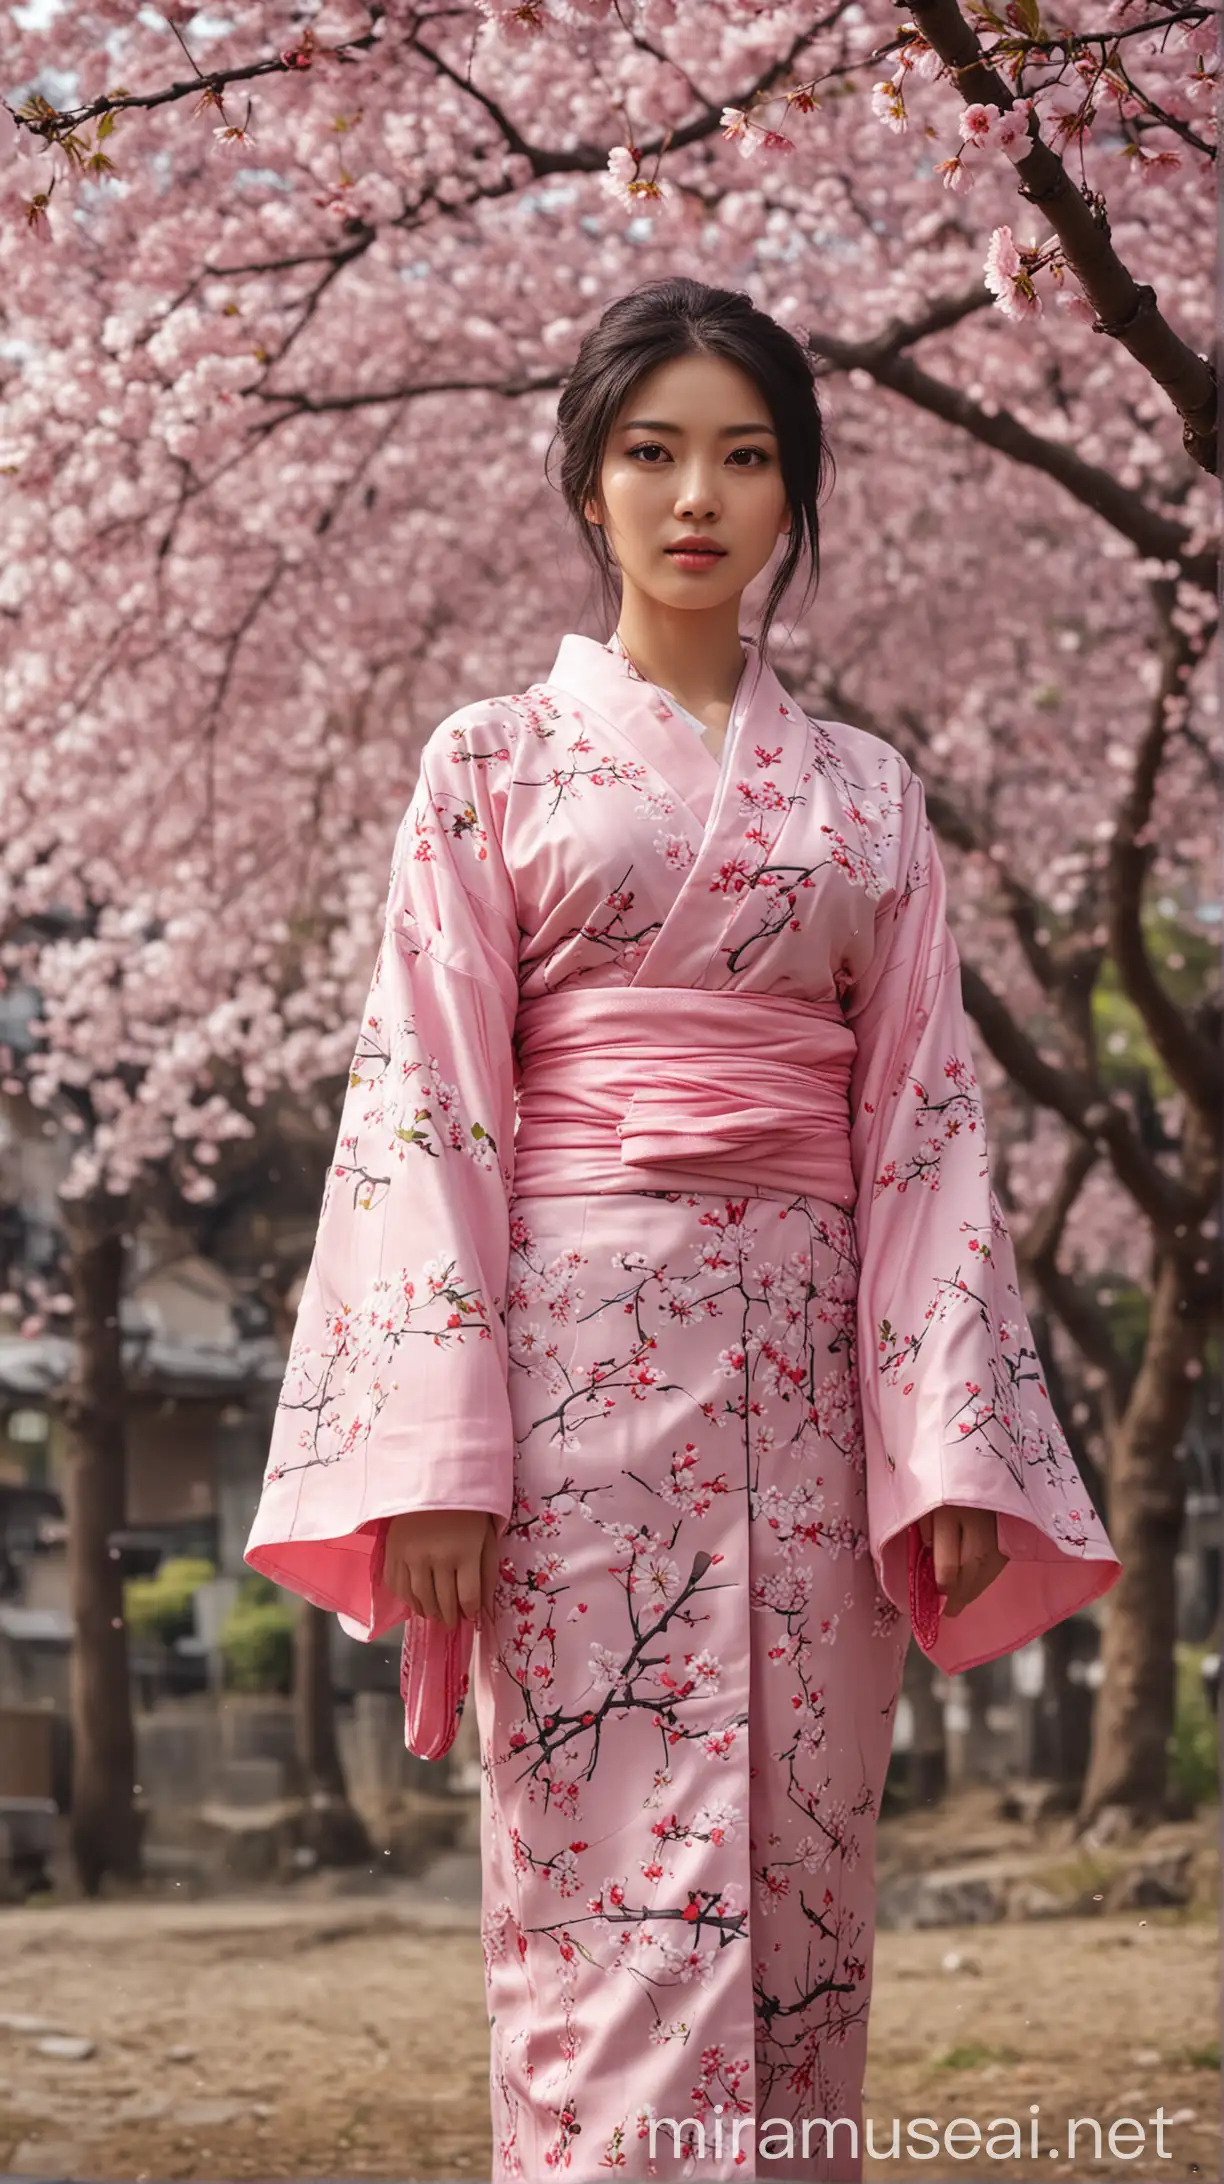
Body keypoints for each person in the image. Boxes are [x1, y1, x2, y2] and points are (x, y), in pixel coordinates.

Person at [245, 277, 1121, 2184]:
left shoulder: (870, 798)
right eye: (653, 452)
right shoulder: (487, 766)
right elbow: (426, 1108)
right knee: (600, 1893)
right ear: (588, 484)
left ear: (796, 496)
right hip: (569, 1398)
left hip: (817, 1399)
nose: (697, 496)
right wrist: (441, 1459)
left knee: (805, 1870)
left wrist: (945, 1435)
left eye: (746, 456)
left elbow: (926, 1129)